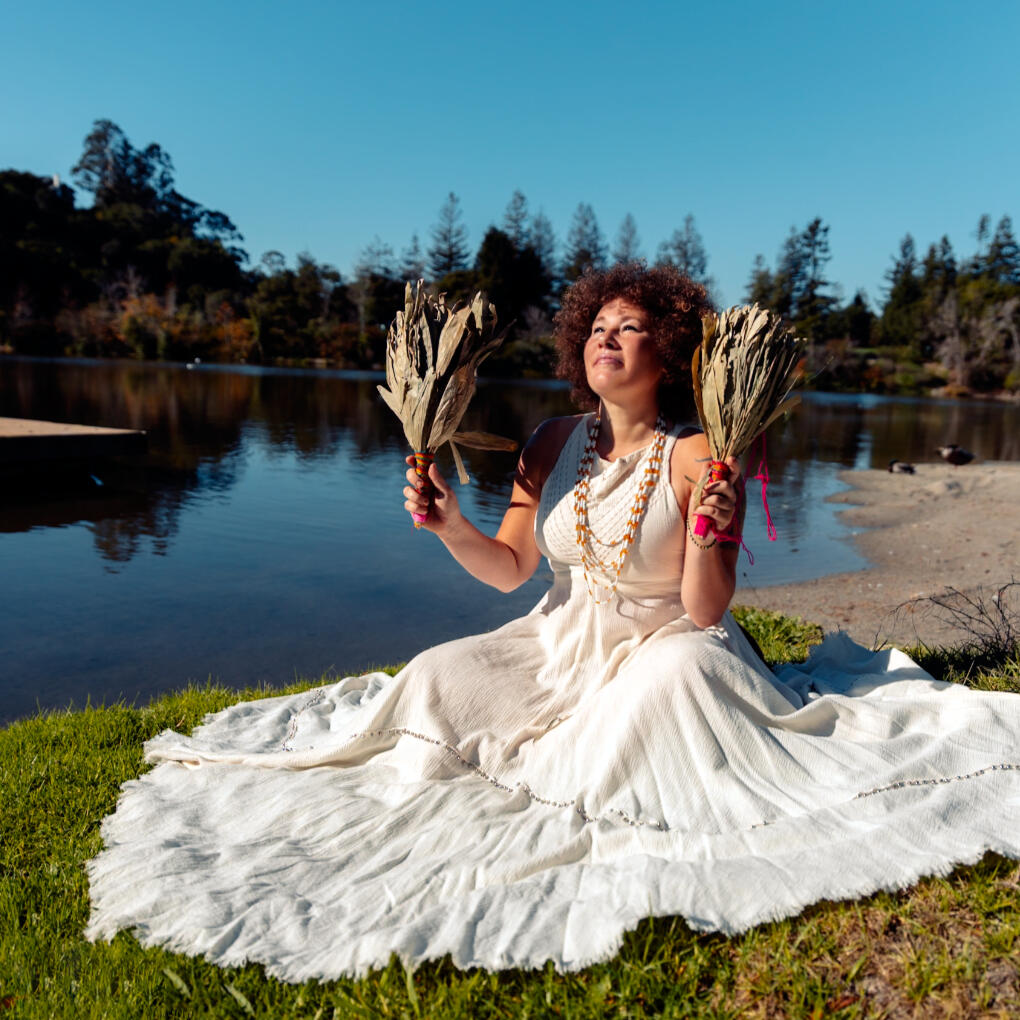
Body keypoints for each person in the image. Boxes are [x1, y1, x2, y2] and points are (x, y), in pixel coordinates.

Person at [86, 264, 1020, 983]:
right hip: (558, 636)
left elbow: (705, 610)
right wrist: (448, 522)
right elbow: (510, 570)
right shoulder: (547, 443)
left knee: (666, 689)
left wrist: (713, 532)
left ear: (672, 354)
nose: (608, 337)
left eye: (632, 327)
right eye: (598, 326)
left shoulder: (702, 453)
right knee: (436, 674)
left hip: (668, 643)